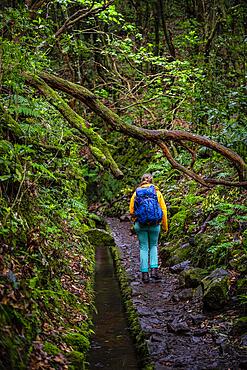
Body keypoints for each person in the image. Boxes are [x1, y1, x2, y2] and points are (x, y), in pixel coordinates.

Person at [129, 173, 168, 283]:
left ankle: (145, 274)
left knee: (143, 247)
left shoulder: (136, 193)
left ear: (142, 181)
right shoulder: (157, 193)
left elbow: (131, 211)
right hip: (155, 225)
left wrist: (136, 220)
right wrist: (165, 226)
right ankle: (154, 271)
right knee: (154, 246)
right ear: (152, 181)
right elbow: (164, 211)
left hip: (140, 224)